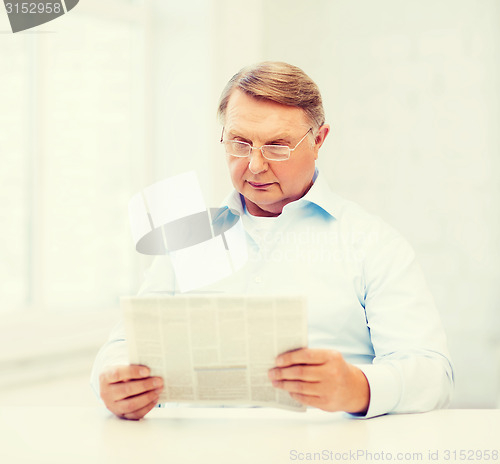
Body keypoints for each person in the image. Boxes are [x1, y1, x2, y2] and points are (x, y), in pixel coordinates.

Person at [91, 61, 454, 420]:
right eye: (240, 143)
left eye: (278, 146)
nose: (255, 165)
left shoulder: (372, 243)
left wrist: (356, 387)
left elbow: (432, 374)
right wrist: (114, 380)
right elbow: (124, 345)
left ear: (318, 140)